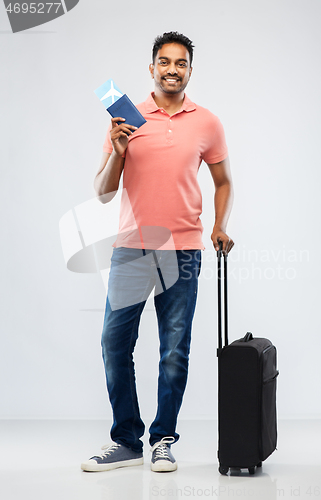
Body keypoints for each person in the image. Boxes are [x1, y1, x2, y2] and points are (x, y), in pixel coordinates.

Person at [81, 32, 234, 473]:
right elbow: (103, 192)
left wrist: (220, 226)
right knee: (114, 345)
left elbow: (224, 181)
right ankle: (127, 440)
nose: (172, 69)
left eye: (181, 63)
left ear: (189, 70)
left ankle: (163, 438)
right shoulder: (126, 120)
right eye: (164, 62)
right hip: (132, 249)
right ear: (151, 68)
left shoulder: (207, 122)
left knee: (174, 351)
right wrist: (119, 151)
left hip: (183, 251)